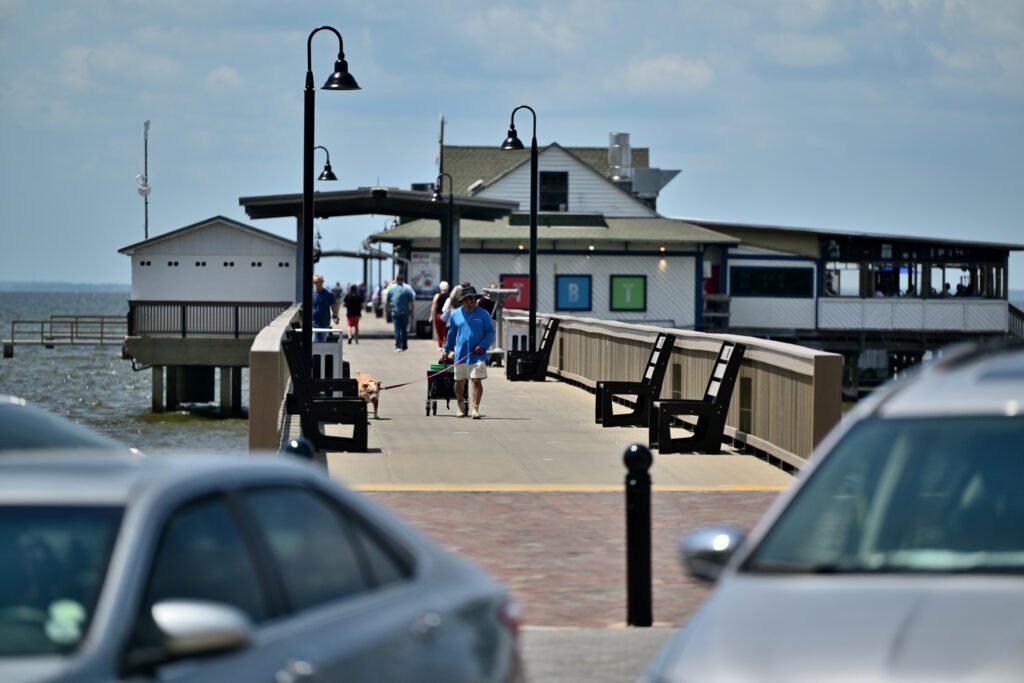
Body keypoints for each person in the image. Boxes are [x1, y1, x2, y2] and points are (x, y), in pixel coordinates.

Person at [443, 286, 495, 419]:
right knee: (459, 381)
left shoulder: (484, 314)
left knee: (476, 380)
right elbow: (451, 333)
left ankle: (475, 408)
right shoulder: (455, 314)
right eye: (470, 299)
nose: (473, 301)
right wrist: (447, 349)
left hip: (477, 354)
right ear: (463, 301)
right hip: (460, 354)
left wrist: (482, 346)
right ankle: (460, 404)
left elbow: (490, 332)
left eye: (475, 298)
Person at [385, 273, 415, 352]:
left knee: (397, 330)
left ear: (396, 280)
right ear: (403, 280)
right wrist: (412, 312)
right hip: (405, 313)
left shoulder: (391, 289)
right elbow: (411, 302)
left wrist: (387, 311)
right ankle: (404, 345)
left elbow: (387, 302)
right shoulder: (407, 290)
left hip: (395, 313)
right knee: (404, 330)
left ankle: (398, 346)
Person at [311, 273, 339, 342]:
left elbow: (333, 307)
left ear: (323, 282)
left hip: (324, 323)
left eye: (320, 281)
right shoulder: (310, 293)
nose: (318, 283)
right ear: (314, 283)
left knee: (322, 342)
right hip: (313, 323)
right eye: (316, 282)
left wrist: (335, 317)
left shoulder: (329, 294)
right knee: (313, 342)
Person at [429, 281, 450, 351]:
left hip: (438, 315)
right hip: (447, 315)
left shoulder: (437, 295)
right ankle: (445, 345)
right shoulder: (449, 296)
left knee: (438, 331)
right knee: (445, 331)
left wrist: (431, 316)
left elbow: (434, 306)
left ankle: (440, 346)